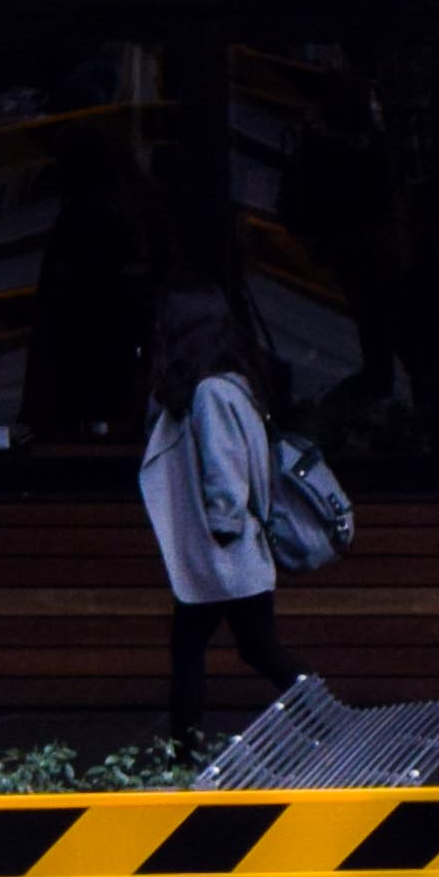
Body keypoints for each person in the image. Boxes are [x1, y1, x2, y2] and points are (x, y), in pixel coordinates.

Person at [138, 297, 295, 751]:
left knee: (198, 648)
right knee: (256, 649)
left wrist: (223, 527)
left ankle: (183, 748)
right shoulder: (227, 388)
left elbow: (223, 468)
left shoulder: (210, 394)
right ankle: (322, 722)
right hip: (230, 555)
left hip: (224, 552)